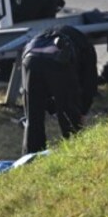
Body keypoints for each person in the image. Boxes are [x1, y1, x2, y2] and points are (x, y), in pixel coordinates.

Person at [20, 25, 98, 154]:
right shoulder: (87, 47)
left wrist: (52, 107)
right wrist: (82, 112)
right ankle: (76, 154)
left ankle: (31, 158)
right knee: (69, 116)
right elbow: (90, 82)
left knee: (33, 117)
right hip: (59, 59)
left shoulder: (46, 34)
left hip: (30, 59)